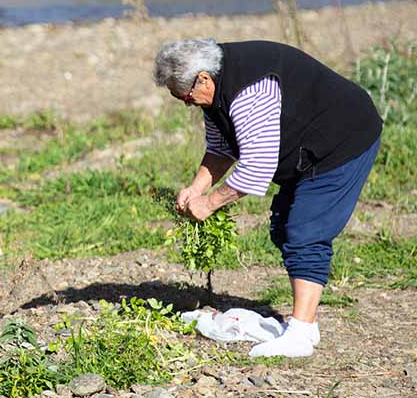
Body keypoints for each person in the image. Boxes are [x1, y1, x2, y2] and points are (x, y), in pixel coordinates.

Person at [152, 39, 381, 358]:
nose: (188, 104)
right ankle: (307, 323)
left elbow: (257, 167)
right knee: (284, 226)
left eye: (187, 96)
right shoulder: (215, 89)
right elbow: (221, 149)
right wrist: (196, 188)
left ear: (203, 78)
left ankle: (300, 333)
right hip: (308, 145)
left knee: (305, 231)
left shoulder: (249, 90)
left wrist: (210, 203)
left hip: (344, 138)